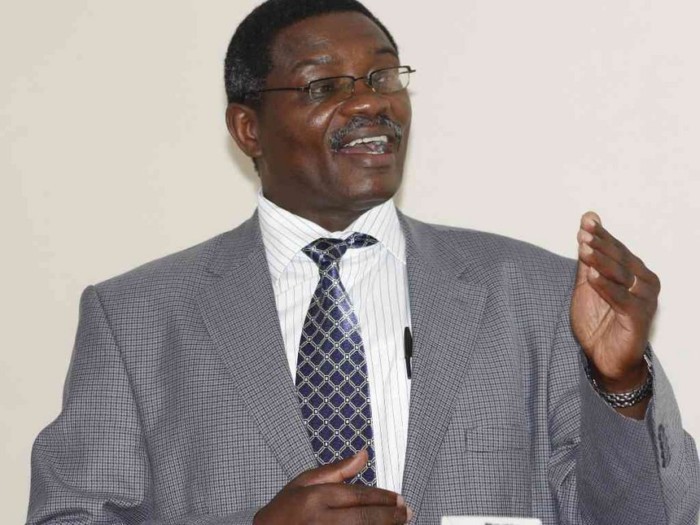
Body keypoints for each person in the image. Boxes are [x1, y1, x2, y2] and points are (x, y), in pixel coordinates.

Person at [27, 0, 699, 524]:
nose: (372, 101)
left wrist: (619, 382)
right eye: (324, 85)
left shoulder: (541, 295)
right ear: (247, 129)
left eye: (382, 77)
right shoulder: (137, 318)